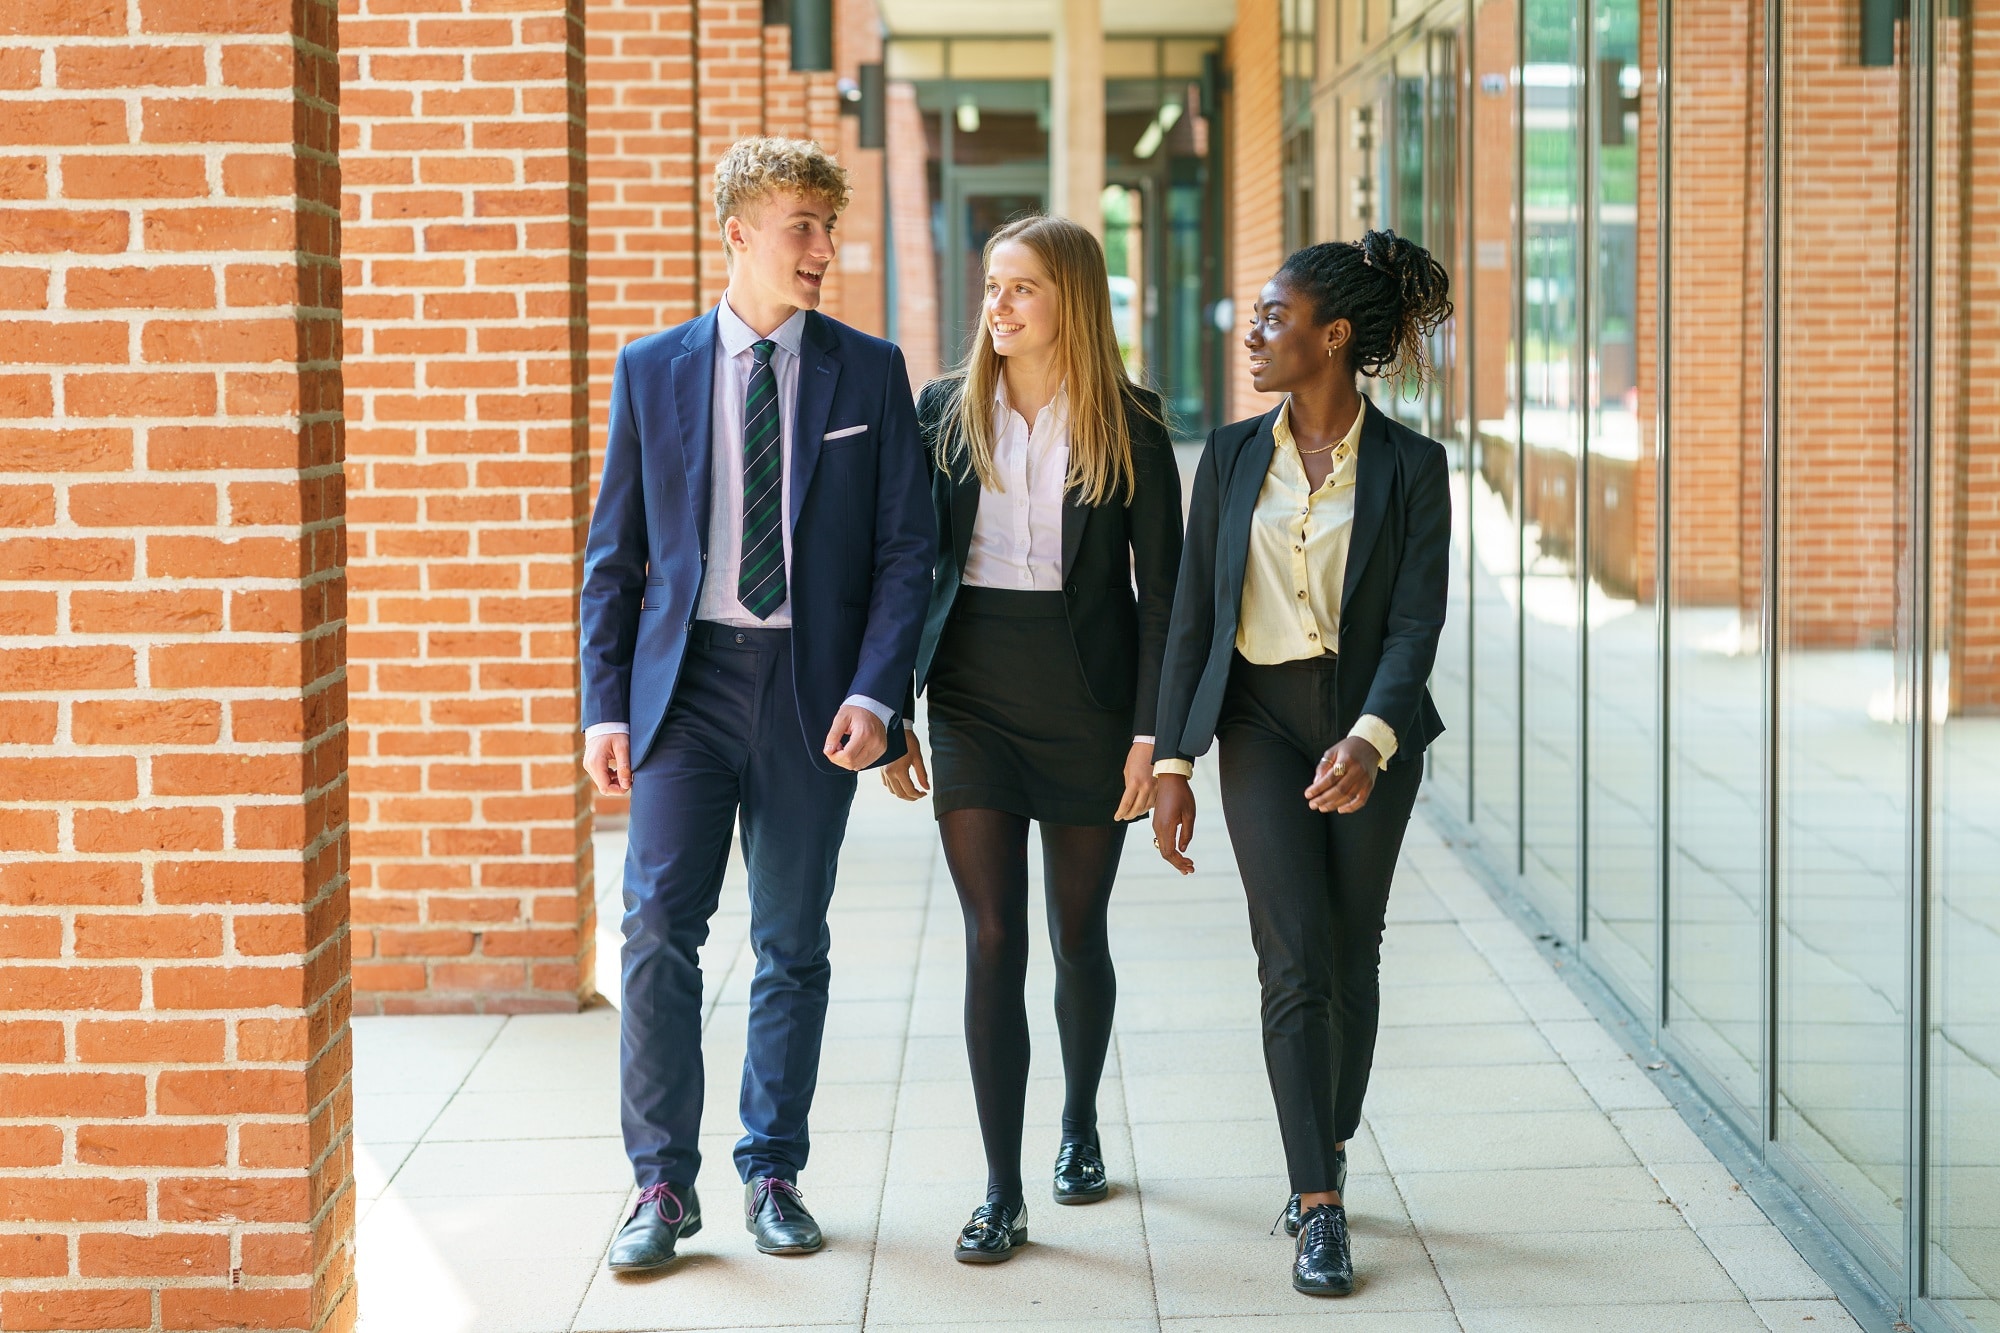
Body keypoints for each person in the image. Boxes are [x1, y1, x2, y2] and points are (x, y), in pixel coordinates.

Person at [580, 137, 935, 1274]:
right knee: (655, 935)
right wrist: (603, 706)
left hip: (808, 692)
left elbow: (904, 552)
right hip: (681, 691)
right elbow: (614, 555)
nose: (823, 250)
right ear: (737, 233)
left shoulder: (868, 370)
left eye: (827, 227)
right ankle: (657, 1184)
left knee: (790, 941)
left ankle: (772, 1169)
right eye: (801, 227)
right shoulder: (652, 368)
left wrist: (879, 693)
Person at [1149, 230, 1453, 1297]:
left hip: (1370, 724)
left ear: (1333, 337)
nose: (1253, 334)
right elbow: (1193, 615)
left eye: (1273, 317)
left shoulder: (1414, 467)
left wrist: (1370, 741)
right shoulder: (1230, 456)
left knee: (1348, 949)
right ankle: (1315, 1200)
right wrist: (1174, 759)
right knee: (1289, 953)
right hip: (1262, 726)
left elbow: (1416, 625)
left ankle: (1324, 1133)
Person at [878, 215, 1183, 1262]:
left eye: (1021, 290)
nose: (997, 307)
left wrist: (1156, 734)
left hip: (1089, 699)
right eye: (992, 287)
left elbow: (1162, 600)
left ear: (1071, 304)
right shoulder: (941, 413)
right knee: (992, 936)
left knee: (1075, 933)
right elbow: (901, 570)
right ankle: (1000, 1187)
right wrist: (888, 708)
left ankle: (1079, 1124)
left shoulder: (1133, 425)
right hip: (970, 691)